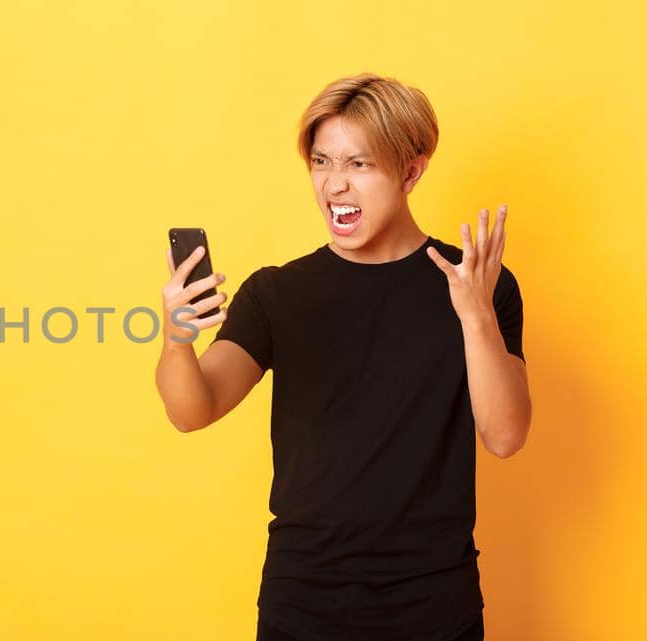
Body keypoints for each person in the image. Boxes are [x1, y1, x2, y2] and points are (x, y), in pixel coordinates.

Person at [153, 73, 531, 641]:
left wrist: (474, 314)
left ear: (411, 170)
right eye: (322, 162)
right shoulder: (278, 294)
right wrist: (177, 338)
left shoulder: (479, 285)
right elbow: (193, 409)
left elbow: (505, 436)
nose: (334, 186)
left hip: (435, 602)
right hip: (304, 603)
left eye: (359, 165)